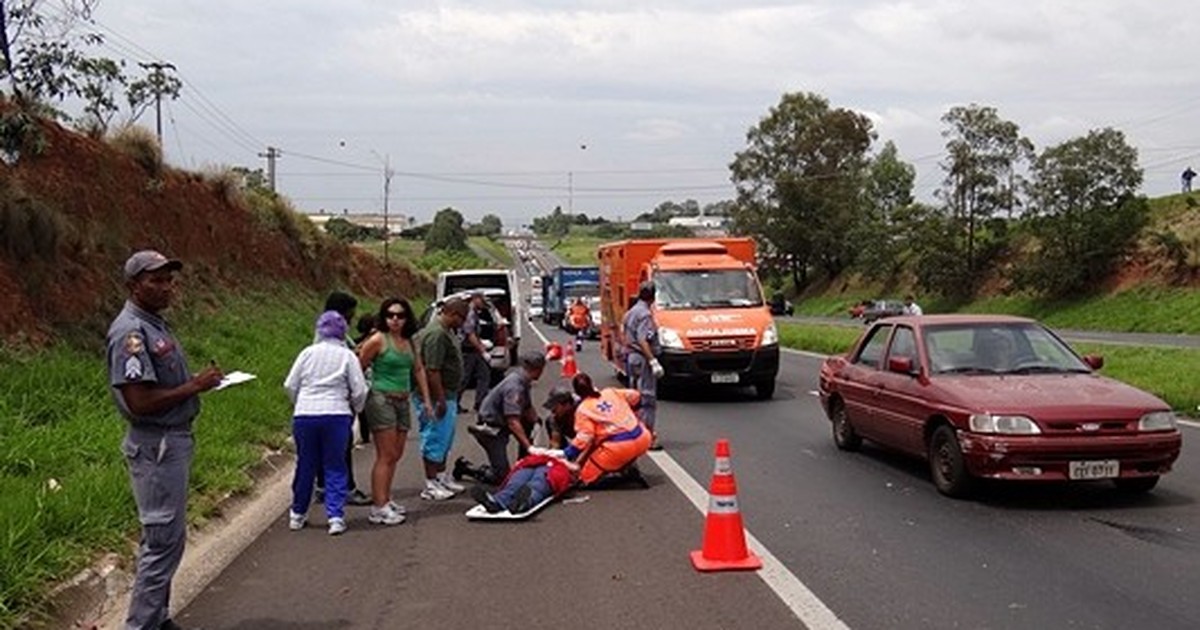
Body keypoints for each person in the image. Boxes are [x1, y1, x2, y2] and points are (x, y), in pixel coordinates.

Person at [107, 249, 223, 630]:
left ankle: (157, 618)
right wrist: (194, 386)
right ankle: (140, 626)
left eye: (169, 280)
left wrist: (195, 387)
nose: (166, 288)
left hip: (171, 441)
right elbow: (139, 401)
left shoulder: (155, 324)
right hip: (156, 445)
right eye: (155, 280)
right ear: (133, 285)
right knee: (161, 541)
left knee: (168, 537)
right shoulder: (132, 333)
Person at [284, 311, 369, 536]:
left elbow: (290, 385)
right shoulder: (347, 356)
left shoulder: (307, 353)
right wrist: (356, 409)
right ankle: (335, 516)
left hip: (305, 414)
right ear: (343, 332)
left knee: (306, 465)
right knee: (335, 465)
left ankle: (297, 513)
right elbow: (359, 389)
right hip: (336, 413)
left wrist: (299, 403)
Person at [356, 298, 430, 526]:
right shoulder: (378, 340)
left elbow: (418, 369)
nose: (395, 319)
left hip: (402, 400)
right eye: (390, 315)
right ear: (384, 317)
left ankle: (385, 498)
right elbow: (359, 367)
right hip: (381, 399)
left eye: (400, 315)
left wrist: (426, 399)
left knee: (396, 454)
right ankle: (378, 507)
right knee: (385, 455)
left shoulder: (408, 341)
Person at [313, 291, 372, 507]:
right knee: (341, 447)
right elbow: (353, 376)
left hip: (316, 404)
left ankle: (322, 487)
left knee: (324, 447)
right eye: (350, 314)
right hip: (339, 401)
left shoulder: (322, 336)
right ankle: (346, 488)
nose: (352, 319)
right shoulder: (335, 340)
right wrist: (357, 405)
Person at [413, 296, 470, 500]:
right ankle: (430, 483)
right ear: (453, 314)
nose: (463, 323)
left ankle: (441, 476)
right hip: (439, 395)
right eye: (462, 318)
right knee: (434, 438)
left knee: (445, 438)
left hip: (449, 394)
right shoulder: (437, 334)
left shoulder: (447, 331)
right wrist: (439, 399)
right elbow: (432, 370)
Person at [560, 373, 652, 486]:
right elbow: (636, 396)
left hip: (619, 448)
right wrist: (632, 412)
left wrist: (567, 453)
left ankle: (626, 479)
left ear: (577, 393)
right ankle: (625, 466)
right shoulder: (610, 392)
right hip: (643, 438)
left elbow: (585, 437)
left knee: (584, 479)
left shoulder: (583, 409)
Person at [466, 351, 547, 481]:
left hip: (501, 422)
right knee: (502, 477)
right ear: (538, 369)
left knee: (532, 423)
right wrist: (529, 446)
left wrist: (536, 422)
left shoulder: (523, 380)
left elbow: (527, 408)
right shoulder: (514, 386)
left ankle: (524, 463)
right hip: (491, 427)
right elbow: (513, 421)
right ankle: (467, 468)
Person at [621, 281, 663, 449]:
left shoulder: (630, 312)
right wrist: (652, 360)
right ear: (653, 297)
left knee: (634, 397)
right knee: (647, 398)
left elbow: (623, 332)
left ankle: (633, 432)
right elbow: (642, 339)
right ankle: (647, 437)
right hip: (642, 358)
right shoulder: (644, 314)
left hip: (632, 357)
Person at [458, 292, 492, 415]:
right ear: (475, 299)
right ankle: (455, 403)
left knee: (484, 375)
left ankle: (480, 403)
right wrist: (482, 350)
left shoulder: (474, 313)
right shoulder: (470, 313)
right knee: (464, 378)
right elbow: (470, 334)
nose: (483, 305)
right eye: (482, 302)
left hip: (474, 350)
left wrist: (481, 344)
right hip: (468, 351)